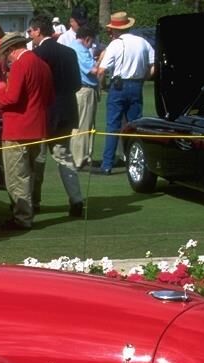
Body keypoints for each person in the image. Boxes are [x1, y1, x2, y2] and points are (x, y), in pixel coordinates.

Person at [0, 34, 53, 230]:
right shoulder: (43, 65)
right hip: (38, 127)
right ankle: (32, 208)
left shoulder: (20, 64)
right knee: (34, 173)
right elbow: (49, 97)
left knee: (17, 176)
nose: (6, 59)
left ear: (11, 50)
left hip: (17, 128)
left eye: (6, 54)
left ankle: (22, 217)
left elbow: (12, 98)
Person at [29, 15, 84, 218]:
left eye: (31, 32)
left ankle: (34, 202)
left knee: (38, 159)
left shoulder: (37, 54)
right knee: (64, 157)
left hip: (45, 111)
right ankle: (76, 200)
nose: (30, 36)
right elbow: (77, 84)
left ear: (37, 31)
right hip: (67, 109)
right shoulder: (69, 52)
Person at [94, 12, 154, 175]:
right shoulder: (142, 42)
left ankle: (107, 165)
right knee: (135, 127)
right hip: (136, 84)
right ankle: (136, 164)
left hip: (119, 86)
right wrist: (144, 78)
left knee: (112, 125)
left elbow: (101, 70)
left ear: (114, 30)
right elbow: (153, 66)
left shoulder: (114, 44)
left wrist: (100, 86)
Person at [69, 25, 100, 169]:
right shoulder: (80, 49)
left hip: (82, 89)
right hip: (85, 89)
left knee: (85, 125)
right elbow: (94, 70)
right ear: (87, 38)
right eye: (91, 42)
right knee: (82, 125)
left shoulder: (73, 47)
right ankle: (79, 159)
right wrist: (104, 58)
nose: (91, 45)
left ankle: (84, 156)